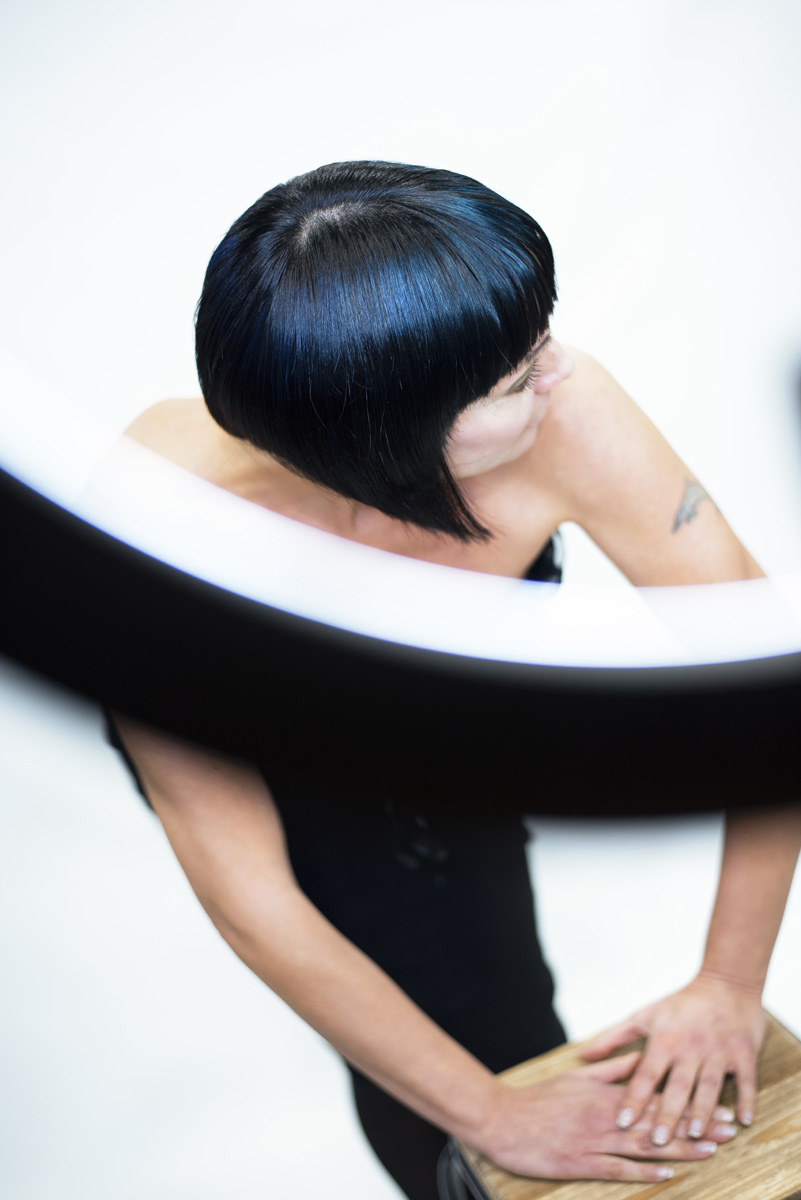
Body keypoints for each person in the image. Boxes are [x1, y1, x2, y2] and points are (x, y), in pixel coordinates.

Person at [107, 161, 801, 1199]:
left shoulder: (567, 408)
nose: (557, 371)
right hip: (296, 750)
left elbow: (767, 691)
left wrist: (727, 983)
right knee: (456, 1096)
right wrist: (493, 1116)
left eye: (540, 339)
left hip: (452, 719)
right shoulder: (168, 535)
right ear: (389, 439)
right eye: (514, 379)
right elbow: (254, 899)